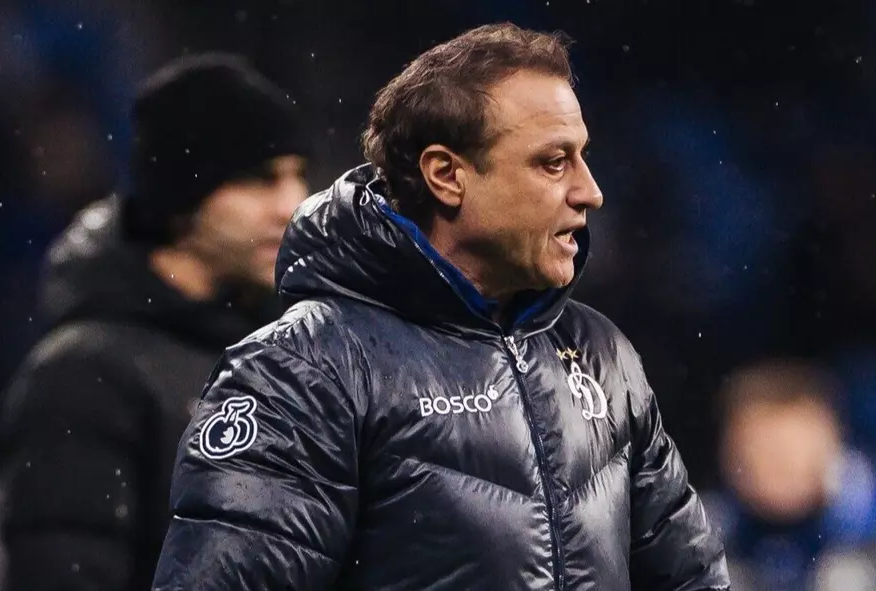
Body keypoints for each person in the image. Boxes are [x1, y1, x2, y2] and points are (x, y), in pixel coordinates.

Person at [152, 23, 730, 591]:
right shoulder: (302, 372)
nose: (590, 191)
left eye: (582, 157)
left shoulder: (602, 356)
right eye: (554, 162)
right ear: (446, 175)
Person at [0, 53, 311, 591]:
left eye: (297, 174)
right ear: (181, 198)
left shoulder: (284, 351)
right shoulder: (83, 375)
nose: (293, 204)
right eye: (261, 179)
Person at [705, 359, 876, 591]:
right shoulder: (705, 540)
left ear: (831, 441)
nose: (768, 467)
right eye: (753, 450)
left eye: (786, 451)